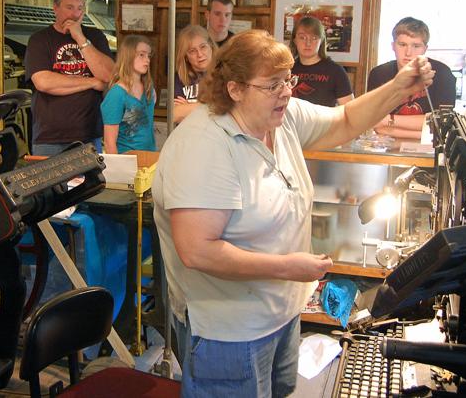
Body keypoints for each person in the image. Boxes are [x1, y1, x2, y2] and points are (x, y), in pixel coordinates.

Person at [152, 30, 434, 397]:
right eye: (273, 84)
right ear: (235, 89)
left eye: (288, 80)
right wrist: (290, 267)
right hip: (230, 328)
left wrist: (398, 87)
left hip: (280, 310)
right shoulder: (205, 145)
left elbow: (346, 119)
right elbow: (197, 250)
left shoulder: (280, 118)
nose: (286, 91)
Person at [25, 0, 115, 156]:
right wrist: (92, 82)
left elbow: (109, 75)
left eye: (80, 8)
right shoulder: (39, 39)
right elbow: (44, 82)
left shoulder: (95, 36)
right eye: (69, 7)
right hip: (49, 137)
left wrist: (80, 38)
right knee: (50, 183)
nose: (75, 14)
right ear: (55, 8)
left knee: (92, 184)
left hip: (89, 135)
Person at [368, 17, 456, 140]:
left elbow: (442, 124)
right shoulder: (378, 74)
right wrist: (425, 133)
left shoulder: (442, 74)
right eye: (402, 44)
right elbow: (375, 124)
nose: (408, 52)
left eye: (416, 46)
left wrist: (389, 120)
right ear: (393, 46)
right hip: (387, 146)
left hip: (430, 149)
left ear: (425, 48)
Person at [101, 35, 157, 154]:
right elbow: (109, 142)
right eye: (141, 55)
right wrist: (118, 169)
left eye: (148, 55)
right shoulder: (117, 94)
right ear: (128, 56)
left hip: (150, 156)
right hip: (127, 158)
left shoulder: (149, 88)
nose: (147, 60)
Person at [289, 16, 354, 107]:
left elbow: (349, 109)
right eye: (302, 37)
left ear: (321, 40)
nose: (308, 43)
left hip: (325, 121)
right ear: (295, 40)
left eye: (314, 38)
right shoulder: (287, 70)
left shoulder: (336, 71)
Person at [173, 25, 217, 123]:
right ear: (185, 57)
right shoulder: (179, 78)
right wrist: (208, 106)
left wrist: (188, 106)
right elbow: (175, 115)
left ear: (211, 46)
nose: (200, 54)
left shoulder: (224, 73)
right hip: (188, 135)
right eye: (192, 51)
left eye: (203, 47)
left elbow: (221, 110)